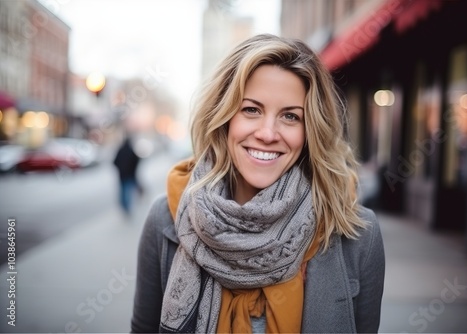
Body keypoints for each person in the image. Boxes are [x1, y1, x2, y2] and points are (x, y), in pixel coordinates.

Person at [131, 34, 385, 333]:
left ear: (310, 132)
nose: (267, 133)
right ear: (223, 117)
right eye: (251, 109)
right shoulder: (166, 219)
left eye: (290, 116)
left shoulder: (356, 235)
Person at [113, 134, 141, 214]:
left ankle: (124, 206)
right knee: (127, 191)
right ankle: (126, 207)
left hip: (122, 175)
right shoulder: (131, 151)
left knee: (124, 191)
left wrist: (120, 169)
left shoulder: (121, 150)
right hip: (129, 175)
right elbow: (137, 161)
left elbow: (114, 162)